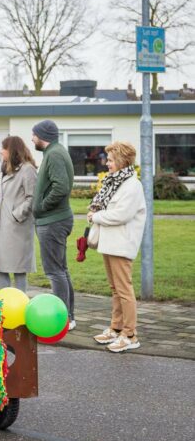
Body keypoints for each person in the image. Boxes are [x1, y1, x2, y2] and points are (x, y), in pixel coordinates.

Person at [88, 142, 146, 353]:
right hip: (110, 242)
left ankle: (130, 334)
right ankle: (116, 327)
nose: (107, 163)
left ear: (121, 161)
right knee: (115, 289)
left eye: (111, 159)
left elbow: (122, 214)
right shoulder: (116, 182)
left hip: (121, 244)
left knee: (124, 290)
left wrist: (96, 216)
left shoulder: (132, 185)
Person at [31, 119, 76, 330]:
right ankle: (68, 316)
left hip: (53, 221)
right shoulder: (53, 152)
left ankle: (61, 320)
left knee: (54, 272)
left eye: (34, 134)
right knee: (61, 270)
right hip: (54, 220)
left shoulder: (55, 154)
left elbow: (61, 187)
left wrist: (41, 207)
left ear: (42, 136)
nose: (32, 139)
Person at [0, 136, 37, 292]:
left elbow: (32, 198)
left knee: (18, 270)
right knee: (1, 268)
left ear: (12, 150)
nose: (1, 151)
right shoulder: (5, 169)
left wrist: (16, 215)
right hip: (1, 227)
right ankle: (4, 305)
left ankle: (20, 306)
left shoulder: (27, 169)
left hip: (16, 229)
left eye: (4, 148)